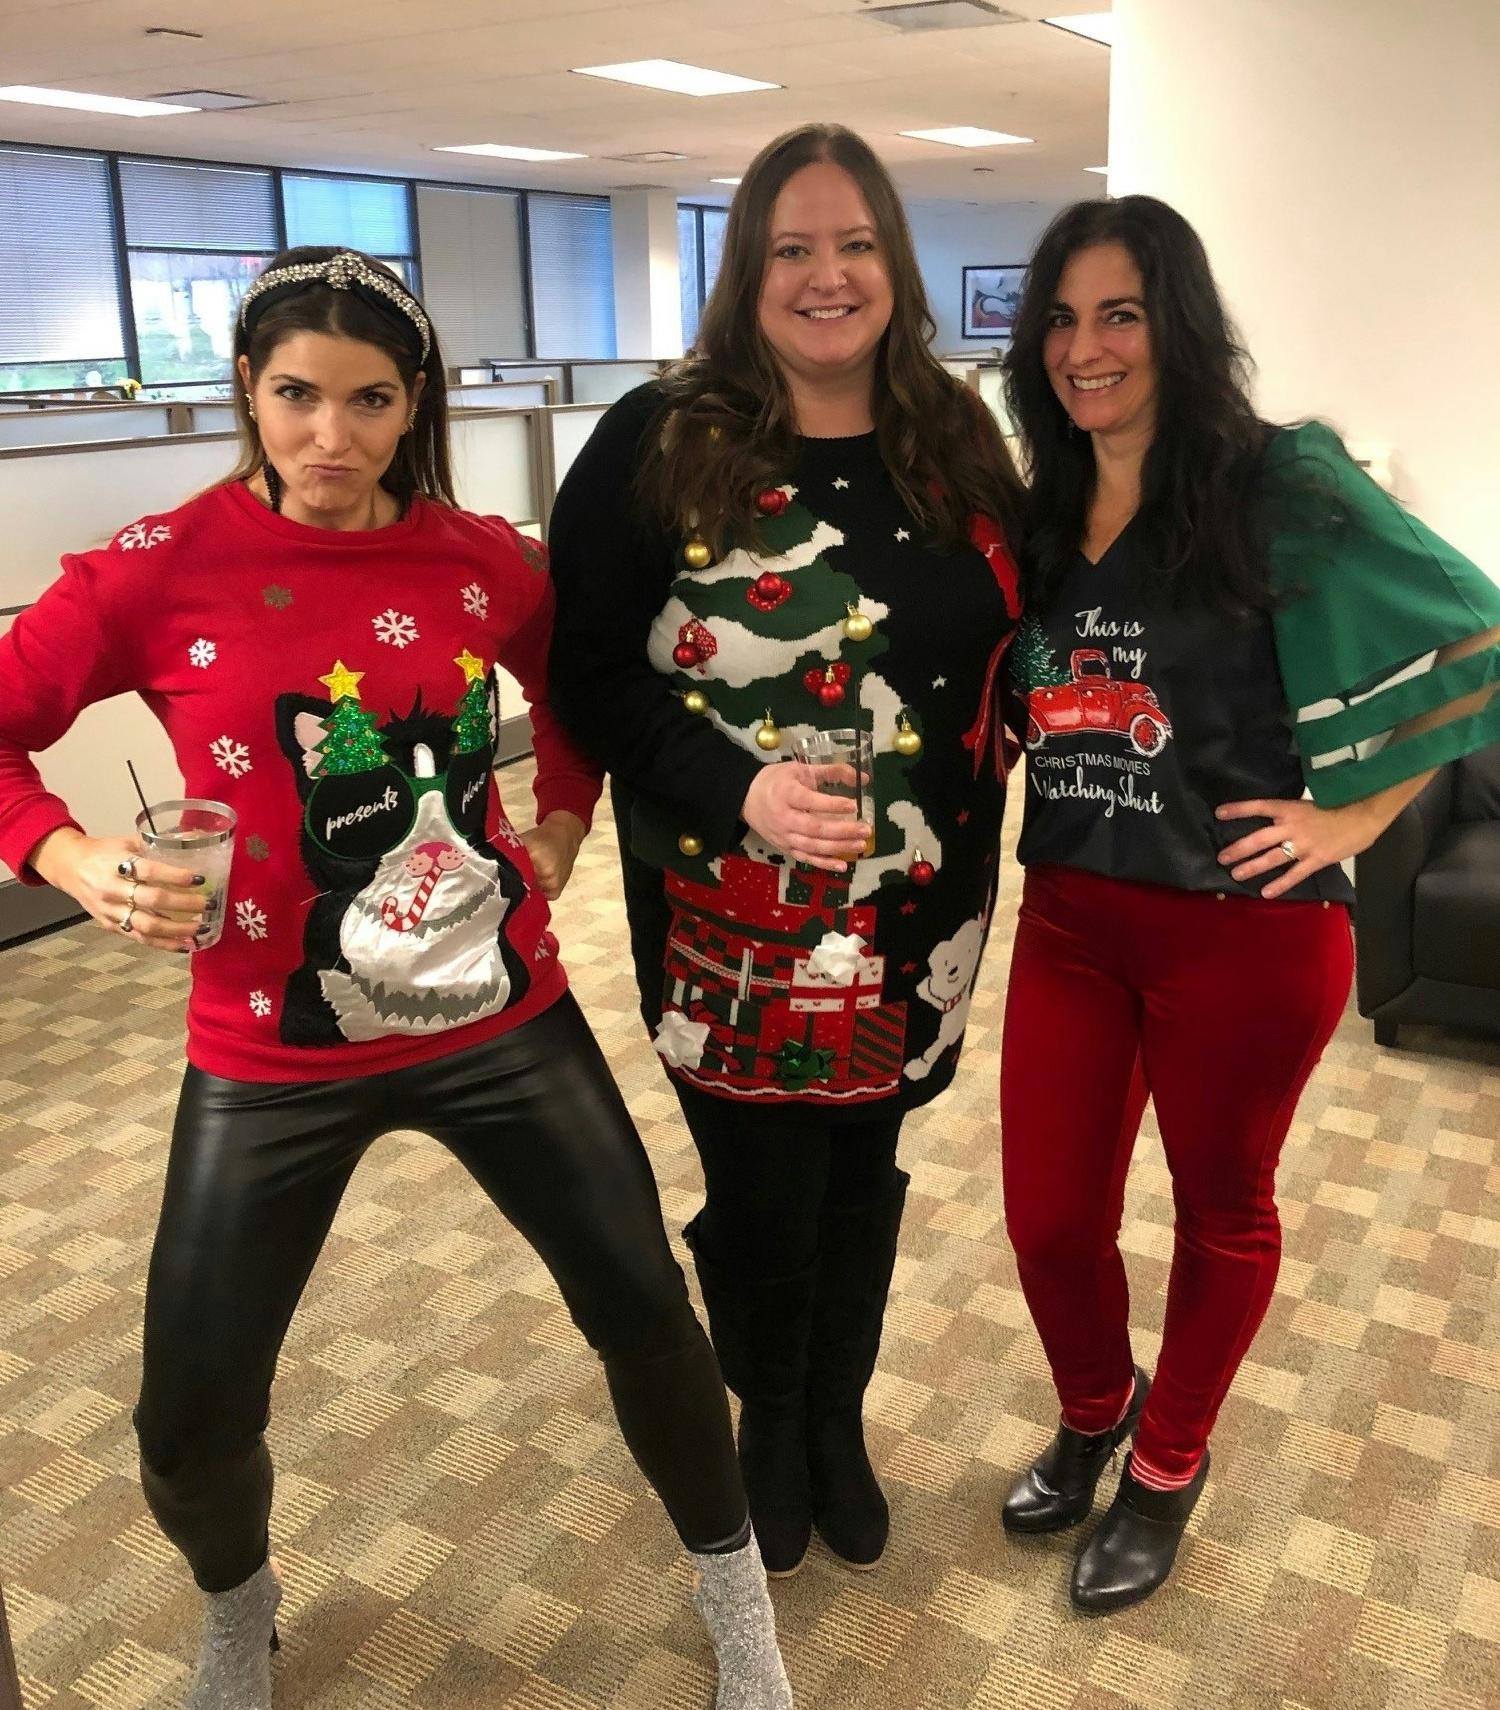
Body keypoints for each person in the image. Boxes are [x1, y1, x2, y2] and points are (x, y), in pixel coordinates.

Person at [0, 247, 794, 1710]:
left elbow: (577, 678)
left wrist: (559, 814)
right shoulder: (155, 566)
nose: (330, 438)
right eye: (296, 395)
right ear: (248, 387)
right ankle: (242, 1612)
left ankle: (733, 1583)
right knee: (187, 1415)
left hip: (500, 1012)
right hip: (268, 1047)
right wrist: (63, 856)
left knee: (641, 1304)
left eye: (368, 402)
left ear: (412, 402)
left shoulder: (475, 555)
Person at [996, 195, 1500, 1614]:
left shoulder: (1279, 482)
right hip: (1074, 919)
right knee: (1048, 1220)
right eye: (1062, 318)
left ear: (1178, 326)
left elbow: (1475, 626)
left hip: (1246, 928)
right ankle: (1095, 1408)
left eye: (1120, 315)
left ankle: (1167, 1462)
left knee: (1222, 1208)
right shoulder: (1042, 501)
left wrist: (1352, 815)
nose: (1085, 348)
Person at [547, 125, 1026, 1579]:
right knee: (763, 1180)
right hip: (726, 908)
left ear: (897, 260)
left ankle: (836, 1414)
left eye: (856, 244)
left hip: (920, 904)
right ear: (746, 271)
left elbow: (1017, 639)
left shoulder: (956, 434)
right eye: (792, 249)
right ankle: (767, 1417)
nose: (828, 276)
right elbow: (589, 672)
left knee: (866, 1162)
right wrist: (738, 789)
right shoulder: (662, 436)